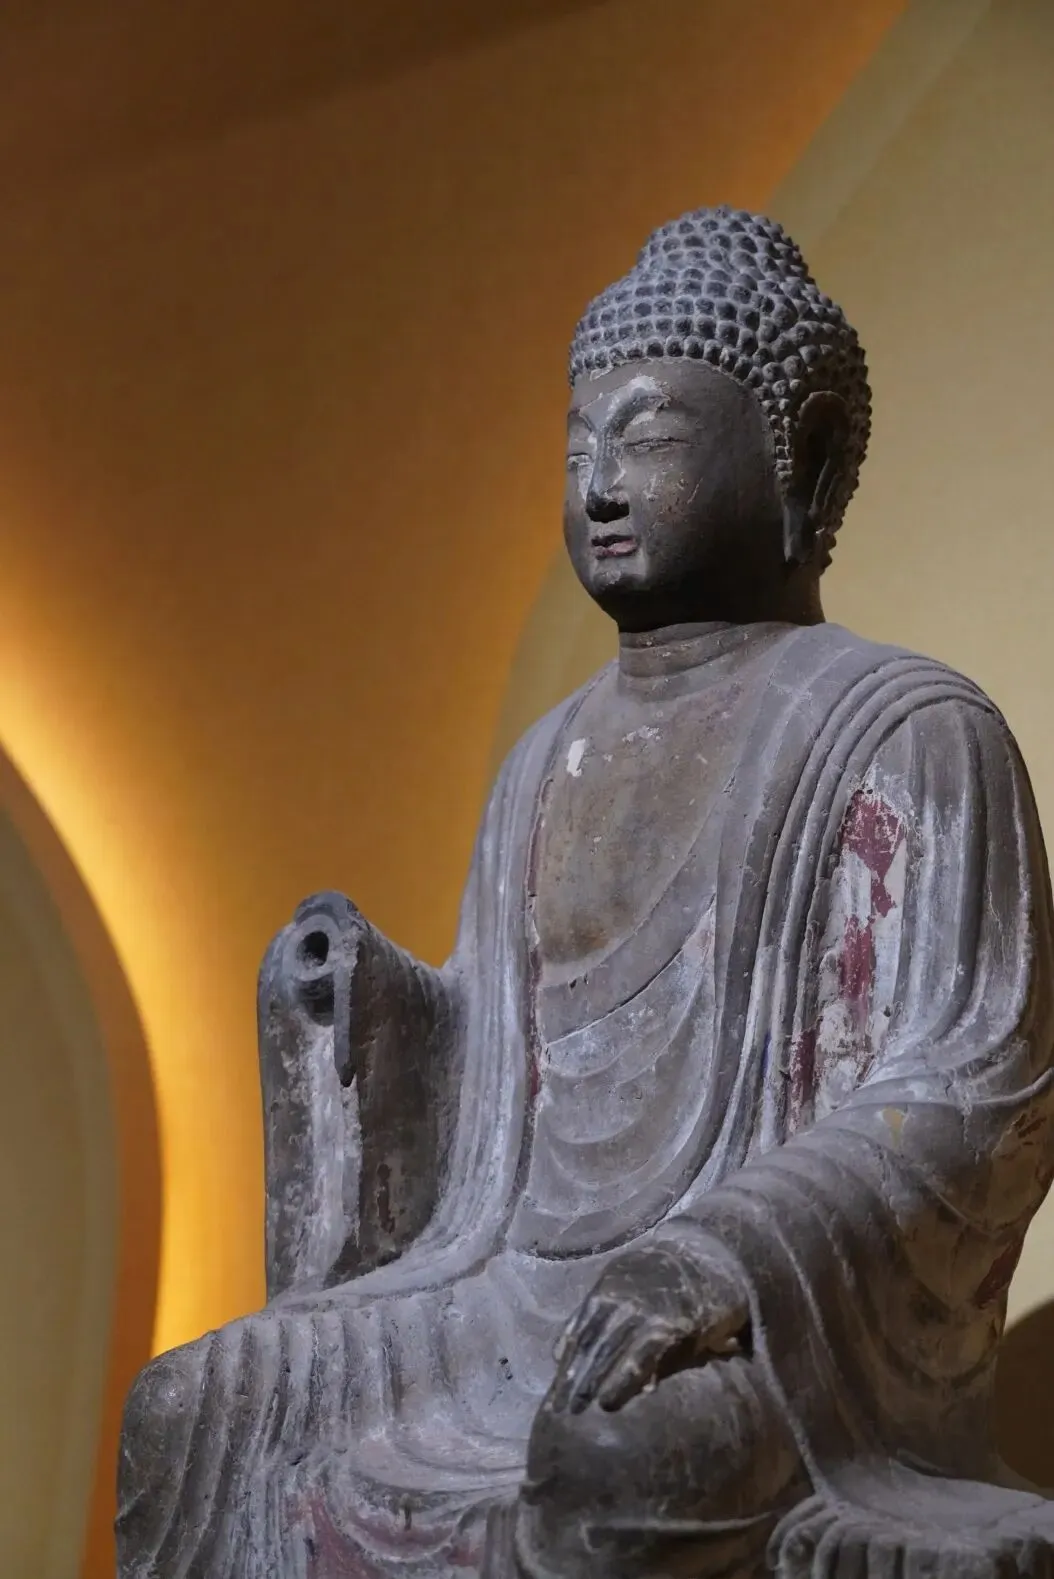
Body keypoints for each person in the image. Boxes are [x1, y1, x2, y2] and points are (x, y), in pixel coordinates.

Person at [117, 207, 1054, 1579]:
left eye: (651, 439)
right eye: (578, 447)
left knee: (615, 1461)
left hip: (765, 1326)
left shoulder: (905, 729)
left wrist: (720, 1254)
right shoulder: (543, 763)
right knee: (193, 1410)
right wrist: (361, 1010)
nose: (602, 483)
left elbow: (975, 1091)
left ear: (802, 454)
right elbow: (494, 1100)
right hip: (506, 1293)